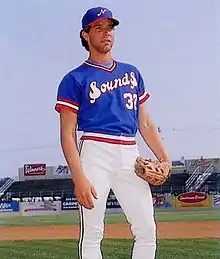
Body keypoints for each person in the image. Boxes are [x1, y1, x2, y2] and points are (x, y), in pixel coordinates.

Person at [54, 6, 171, 259]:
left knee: (146, 229)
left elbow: (146, 123)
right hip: (95, 151)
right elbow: (67, 134)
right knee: (93, 233)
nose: (106, 33)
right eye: (98, 28)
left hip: (131, 152)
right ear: (86, 35)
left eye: (110, 28)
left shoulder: (131, 73)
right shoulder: (74, 79)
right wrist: (79, 178)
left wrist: (164, 157)